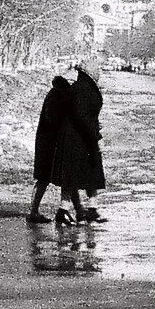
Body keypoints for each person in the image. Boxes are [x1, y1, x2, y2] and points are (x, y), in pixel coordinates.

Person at [55, 60, 107, 225]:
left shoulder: (82, 87)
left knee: (83, 173)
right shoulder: (83, 89)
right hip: (79, 138)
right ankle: (65, 210)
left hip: (79, 137)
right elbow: (81, 115)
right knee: (77, 173)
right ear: (90, 72)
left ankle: (88, 209)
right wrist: (96, 136)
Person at [26, 73, 73, 225]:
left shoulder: (55, 93)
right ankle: (34, 212)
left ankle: (34, 211)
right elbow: (52, 119)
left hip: (46, 141)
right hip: (49, 143)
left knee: (43, 178)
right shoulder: (58, 96)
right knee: (45, 178)